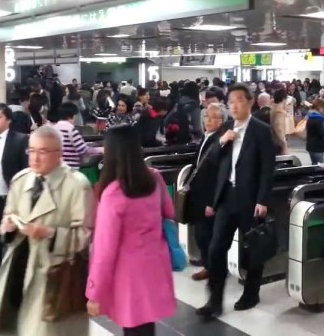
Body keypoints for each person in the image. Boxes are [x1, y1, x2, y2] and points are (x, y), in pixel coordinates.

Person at [0, 126, 93, 336]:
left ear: (59, 154)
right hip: (18, 266)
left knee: (44, 329)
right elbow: (9, 214)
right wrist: (8, 227)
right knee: (10, 324)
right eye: (31, 151)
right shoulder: (21, 180)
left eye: (42, 151)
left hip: (54, 275)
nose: (35, 158)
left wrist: (49, 233)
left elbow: (85, 235)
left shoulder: (76, 186)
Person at [86, 124, 176, 336]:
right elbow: (169, 211)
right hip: (155, 264)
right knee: (146, 324)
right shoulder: (154, 178)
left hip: (128, 274)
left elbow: (104, 250)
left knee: (133, 326)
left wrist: (94, 291)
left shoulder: (113, 193)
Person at [198, 84, 275, 318]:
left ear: (250, 102)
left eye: (240, 100)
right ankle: (215, 299)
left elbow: (267, 168)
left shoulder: (261, 130)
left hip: (249, 198)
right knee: (216, 248)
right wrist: (223, 141)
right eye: (231, 101)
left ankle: (251, 292)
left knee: (251, 246)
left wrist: (262, 199)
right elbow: (211, 160)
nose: (235, 105)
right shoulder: (226, 128)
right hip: (226, 197)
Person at [0, 103, 29, 288]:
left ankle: (17, 284)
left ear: (8, 120)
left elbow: (26, 172)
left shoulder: (20, 140)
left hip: (11, 201)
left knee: (15, 244)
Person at [185, 103, 224, 281]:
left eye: (215, 117)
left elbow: (218, 175)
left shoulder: (221, 141)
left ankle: (212, 268)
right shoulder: (206, 137)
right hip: (198, 195)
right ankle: (210, 265)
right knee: (202, 234)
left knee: (205, 235)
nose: (210, 120)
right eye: (207, 116)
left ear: (222, 121)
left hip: (209, 198)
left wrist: (212, 202)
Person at [53, 102, 102, 169]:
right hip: (70, 169)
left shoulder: (53, 129)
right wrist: (101, 150)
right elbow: (84, 150)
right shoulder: (71, 130)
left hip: (56, 168)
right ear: (73, 115)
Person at [305, 99, 324, 165]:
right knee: (319, 166)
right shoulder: (320, 119)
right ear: (319, 107)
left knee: (314, 164)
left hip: (310, 146)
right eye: (323, 107)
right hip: (318, 147)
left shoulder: (310, 117)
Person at [270, 89, 289, 155]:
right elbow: (279, 128)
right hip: (278, 143)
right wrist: (284, 143)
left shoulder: (273, 109)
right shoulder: (280, 112)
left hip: (272, 140)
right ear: (283, 99)